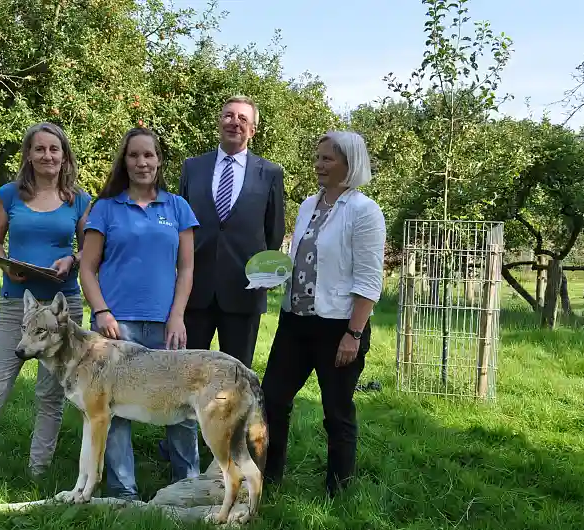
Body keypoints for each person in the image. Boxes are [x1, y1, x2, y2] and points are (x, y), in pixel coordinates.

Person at [0, 122, 92, 486]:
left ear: (64, 155)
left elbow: (91, 248)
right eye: (39, 149)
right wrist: (5, 263)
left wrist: (72, 260)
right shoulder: (10, 194)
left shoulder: (78, 199)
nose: (47, 155)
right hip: (17, 306)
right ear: (28, 154)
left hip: (61, 309)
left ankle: (38, 474)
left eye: (54, 149)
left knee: (50, 395)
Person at [260, 130, 386, 497]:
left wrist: (354, 333)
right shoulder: (307, 206)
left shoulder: (364, 211)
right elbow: (303, 261)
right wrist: (269, 276)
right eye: (318, 157)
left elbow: (369, 279)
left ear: (350, 163)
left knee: (337, 410)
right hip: (294, 321)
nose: (318, 164)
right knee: (272, 399)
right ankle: (268, 478)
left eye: (327, 158)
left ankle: (338, 491)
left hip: (338, 327)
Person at [78, 127, 201, 500]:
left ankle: (188, 487)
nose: (141, 162)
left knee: (182, 407)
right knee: (113, 410)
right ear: (125, 161)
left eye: (149, 155)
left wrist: (177, 315)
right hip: (115, 326)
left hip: (166, 326)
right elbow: (87, 268)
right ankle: (123, 493)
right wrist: (101, 311)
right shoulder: (105, 208)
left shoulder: (177, 207)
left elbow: (186, 269)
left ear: (159, 160)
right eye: (134, 155)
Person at [177, 95, 285, 368]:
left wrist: (262, 275)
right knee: (187, 374)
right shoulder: (192, 167)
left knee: (237, 376)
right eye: (228, 115)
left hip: (244, 293)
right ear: (219, 122)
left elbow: (274, 231)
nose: (234, 122)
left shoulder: (270, 173)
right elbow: (181, 225)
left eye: (242, 118)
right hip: (195, 291)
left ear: (252, 130)